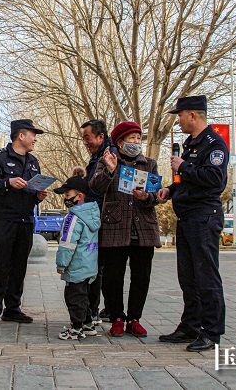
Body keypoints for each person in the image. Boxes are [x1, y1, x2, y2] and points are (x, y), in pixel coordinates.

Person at [157, 95, 229, 352]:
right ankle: (190, 326)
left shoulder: (214, 144)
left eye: (180, 115)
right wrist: (169, 190)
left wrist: (184, 166)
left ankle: (211, 332)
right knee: (188, 276)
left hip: (204, 216)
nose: (178, 121)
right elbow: (186, 180)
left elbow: (214, 179)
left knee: (206, 276)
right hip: (187, 216)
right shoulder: (191, 144)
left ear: (193, 115)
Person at [89, 121, 161, 338]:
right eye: (132, 138)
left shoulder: (149, 164)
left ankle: (134, 318)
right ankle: (117, 317)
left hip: (143, 228)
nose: (136, 142)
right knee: (113, 276)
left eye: (139, 138)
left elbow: (156, 196)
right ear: (120, 142)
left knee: (141, 276)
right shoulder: (108, 160)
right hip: (115, 226)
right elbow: (95, 187)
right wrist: (110, 171)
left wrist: (147, 197)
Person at [0, 119, 48, 329]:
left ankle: (12, 309)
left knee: (19, 267)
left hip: (26, 220)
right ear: (21, 135)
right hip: (5, 221)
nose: (35, 139)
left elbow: (33, 189)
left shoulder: (33, 162)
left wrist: (39, 195)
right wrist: (8, 182)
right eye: (32, 134)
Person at [54, 174, 100, 340]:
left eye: (67, 195)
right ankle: (87, 324)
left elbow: (67, 243)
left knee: (73, 297)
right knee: (84, 296)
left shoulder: (73, 217)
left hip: (76, 265)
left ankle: (76, 329)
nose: (66, 199)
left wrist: (61, 264)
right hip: (89, 264)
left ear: (79, 196)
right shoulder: (93, 214)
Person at [80, 119, 113, 323]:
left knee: (96, 265)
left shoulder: (108, 157)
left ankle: (92, 310)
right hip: (94, 215)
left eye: (87, 137)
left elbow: (99, 188)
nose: (85, 142)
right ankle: (100, 308)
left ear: (100, 137)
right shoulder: (97, 157)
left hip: (101, 217)